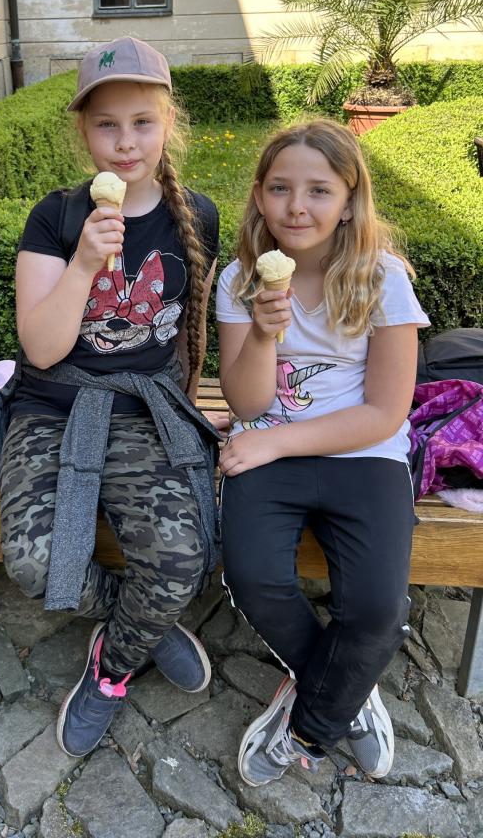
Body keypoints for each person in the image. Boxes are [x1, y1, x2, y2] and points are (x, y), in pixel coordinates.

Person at [0, 36, 228, 757]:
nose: (125, 142)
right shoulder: (55, 217)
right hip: (51, 407)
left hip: (142, 410)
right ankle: (144, 620)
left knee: (182, 561)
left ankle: (114, 663)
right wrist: (84, 264)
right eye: (106, 125)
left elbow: (187, 333)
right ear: (83, 133)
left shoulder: (199, 216)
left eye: (142, 122)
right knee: (34, 562)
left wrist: (189, 409)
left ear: (168, 124)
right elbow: (40, 349)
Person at [215, 119, 429, 786]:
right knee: (253, 578)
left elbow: (385, 412)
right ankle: (348, 689)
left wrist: (273, 440)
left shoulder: (382, 279)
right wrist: (262, 333)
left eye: (318, 190)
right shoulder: (240, 280)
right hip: (269, 457)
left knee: (376, 611)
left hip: (362, 455)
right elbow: (246, 401)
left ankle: (310, 724)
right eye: (280, 188)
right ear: (259, 195)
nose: (297, 207)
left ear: (349, 199)